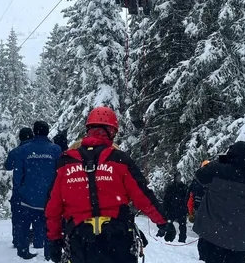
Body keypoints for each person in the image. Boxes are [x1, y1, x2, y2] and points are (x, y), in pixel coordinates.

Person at [46, 106, 176, 263]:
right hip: (117, 238)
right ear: (110, 131)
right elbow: (142, 195)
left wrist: (54, 239)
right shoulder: (119, 159)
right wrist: (162, 221)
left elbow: (53, 207)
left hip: (80, 239)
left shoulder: (66, 163)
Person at [193, 142, 245, 263]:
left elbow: (200, 174)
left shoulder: (218, 171)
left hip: (213, 238)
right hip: (241, 243)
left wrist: (221, 161)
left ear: (231, 155)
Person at [14, 121, 62, 259]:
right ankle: (49, 254)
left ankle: (23, 251)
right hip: (49, 198)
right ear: (47, 132)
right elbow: (60, 173)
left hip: (27, 198)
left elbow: (18, 174)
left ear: (34, 132)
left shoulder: (24, 150)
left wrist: (22, 190)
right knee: (49, 227)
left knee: (24, 226)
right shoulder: (55, 150)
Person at [5, 127, 34, 249]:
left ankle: (18, 239)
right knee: (37, 216)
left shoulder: (15, 152)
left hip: (19, 189)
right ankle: (37, 238)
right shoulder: (35, 150)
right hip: (36, 188)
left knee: (18, 217)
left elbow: (7, 166)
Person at [161, 172, 189, 242]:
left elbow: (188, 199)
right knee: (168, 224)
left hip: (181, 210)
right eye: (177, 177)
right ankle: (167, 238)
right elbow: (166, 199)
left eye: (180, 177)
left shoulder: (184, 187)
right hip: (171, 210)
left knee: (182, 226)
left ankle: (182, 240)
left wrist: (187, 209)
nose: (179, 178)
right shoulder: (170, 187)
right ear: (175, 178)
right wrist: (164, 209)